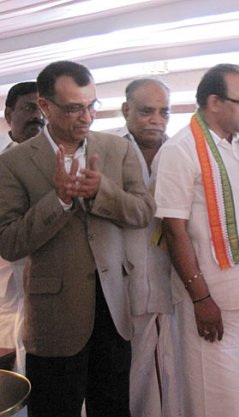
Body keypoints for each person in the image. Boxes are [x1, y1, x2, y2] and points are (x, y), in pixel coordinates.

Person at [0, 60, 155, 417]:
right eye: (73, 108)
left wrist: (103, 192)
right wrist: (58, 201)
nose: (86, 117)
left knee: (113, 408)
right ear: (45, 106)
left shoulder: (117, 150)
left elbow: (143, 212)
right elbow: (9, 242)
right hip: (54, 317)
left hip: (113, 309)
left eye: (91, 105)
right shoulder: (14, 163)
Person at [153, 63, 239, 417]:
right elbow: (174, 231)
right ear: (214, 102)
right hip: (214, 307)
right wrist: (201, 298)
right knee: (220, 404)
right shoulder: (181, 150)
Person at [107, 78, 184, 417]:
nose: (156, 120)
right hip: (118, 286)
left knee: (163, 378)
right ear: (126, 110)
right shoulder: (104, 149)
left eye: (164, 112)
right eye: (146, 111)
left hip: (170, 284)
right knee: (118, 378)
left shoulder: (180, 152)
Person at [0, 81, 45, 375]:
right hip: (6, 295)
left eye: (43, 108)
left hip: (48, 292)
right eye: (29, 107)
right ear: (9, 115)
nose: (38, 116)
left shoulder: (59, 161)